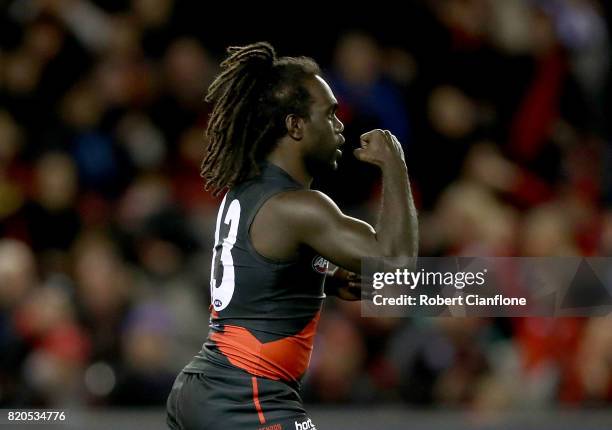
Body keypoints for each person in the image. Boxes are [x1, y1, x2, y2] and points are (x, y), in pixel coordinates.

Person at [166, 41, 418, 430]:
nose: (340, 125)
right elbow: (397, 263)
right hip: (247, 396)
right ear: (295, 125)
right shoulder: (298, 206)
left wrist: (324, 279)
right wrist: (395, 163)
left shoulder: (245, 191)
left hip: (203, 390)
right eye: (329, 114)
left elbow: (257, 274)